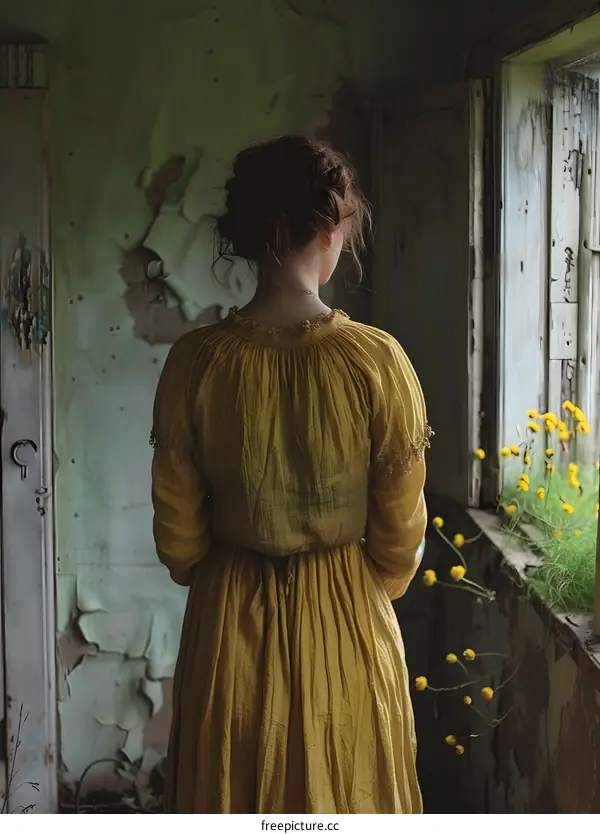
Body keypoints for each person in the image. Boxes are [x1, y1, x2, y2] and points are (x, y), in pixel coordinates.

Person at [151, 135, 431, 814]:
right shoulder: (379, 362)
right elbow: (398, 545)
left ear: (249, 233)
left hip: (228, 629)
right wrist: (352, 584)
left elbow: (181, 546)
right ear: (334, 230)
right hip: (349, 628)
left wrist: (228, 567)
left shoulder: (196, 362)